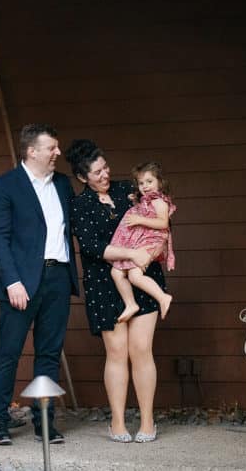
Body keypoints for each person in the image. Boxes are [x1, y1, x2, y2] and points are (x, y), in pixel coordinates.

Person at [66, 139, 165, 443]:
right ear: (83, 177)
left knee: (141, 349)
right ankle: (118, 422)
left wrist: (148, 253)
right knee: (117, 352)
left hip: (143, 276)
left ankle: (148, 421)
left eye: (105, 167)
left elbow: (159, 219)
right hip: (104, 285)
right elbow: (92, 246)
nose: (105, 174)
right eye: (97, 173)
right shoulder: (79, 205)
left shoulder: (127, 190)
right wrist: (128, 253)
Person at [0, 123, 79, 446]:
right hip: (21, 282)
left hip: (58, 278)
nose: (57, 153)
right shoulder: (5, 186)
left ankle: (44, 423)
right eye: (52, 147)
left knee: (49, 354)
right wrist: (11, 281)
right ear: (32, 151)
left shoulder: (64, 185)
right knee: (8, 354)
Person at [109, 161, 176, 324]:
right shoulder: (146, 200)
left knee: (134, 275)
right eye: (141, 183)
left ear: (160, 182)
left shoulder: (159, 201)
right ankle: (131, 304)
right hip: (139, 240)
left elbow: (163, 223)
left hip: (151, 240)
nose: (145, 186)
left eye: (149, 181)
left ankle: (162, 297)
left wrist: (139, 218)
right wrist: (137, 203)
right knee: (116, 273)